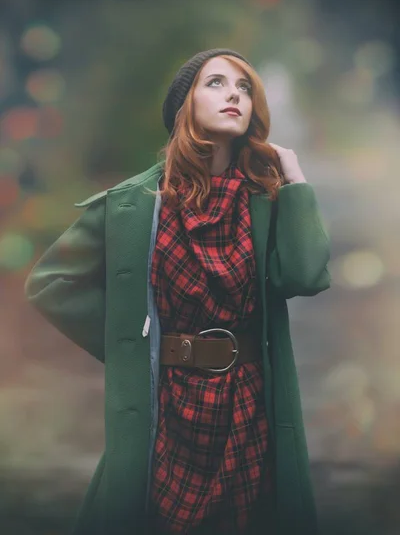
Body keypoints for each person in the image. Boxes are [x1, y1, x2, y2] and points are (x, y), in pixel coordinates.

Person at [24, 48, 331, 535]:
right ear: (184, 106)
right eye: (215, 83)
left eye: (244, 87)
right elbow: (50, 284)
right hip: (168, 405)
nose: (234, 93)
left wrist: (295, 182)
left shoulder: (268, 200)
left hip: (249, 403)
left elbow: (307, 276)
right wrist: (129, 347)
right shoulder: (134, 204)